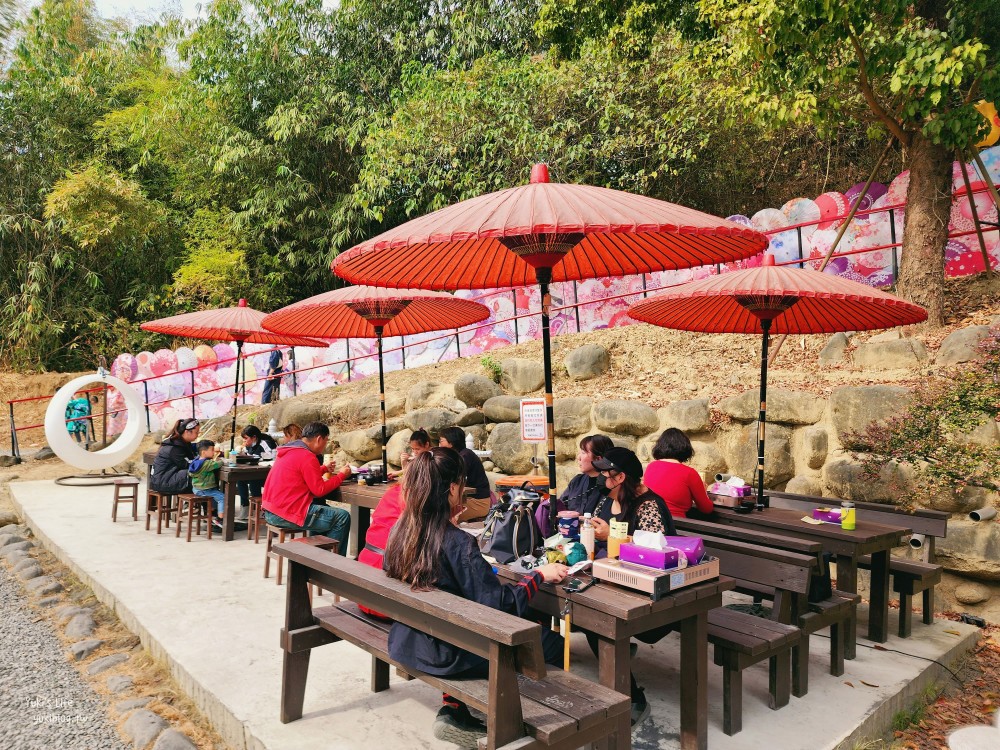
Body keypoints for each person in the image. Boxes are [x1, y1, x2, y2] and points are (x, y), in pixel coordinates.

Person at [383, 448, 568, 747]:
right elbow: (500, 607)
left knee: (476, 627)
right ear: (454, 488)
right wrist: (538, 576)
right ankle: (549, 720)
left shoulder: (400, 530)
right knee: (553, 645)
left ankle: (455, 709)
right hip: (448, 654)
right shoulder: (458, 543)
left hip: (408, 641)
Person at [589, 446, 676, 727]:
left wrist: (612, 535)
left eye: (605, 472)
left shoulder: (648, 506)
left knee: (599, 618)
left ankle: (633, 698)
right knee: (587, 611)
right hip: (615, 581)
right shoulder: (607, 500)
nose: (600, 477)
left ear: (621, 476)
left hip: (655, 593)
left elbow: (652, 553)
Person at [261, 421, 351, 554]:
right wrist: (342, 475)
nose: (324, 446)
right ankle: (333, 564)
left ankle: (317, 558)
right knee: (342, 517)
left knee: (322, 511)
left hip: (271, 510)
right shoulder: (307, 456)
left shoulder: (291, 450)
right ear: (319, 439)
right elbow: (319, 490)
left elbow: (300, 474)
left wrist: (323, 469)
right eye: (325, 441)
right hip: (285, 512)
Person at [535, 434, 614, 536]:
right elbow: (562, 506)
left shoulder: (611, 485)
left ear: (598, 459)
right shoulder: (577, 481)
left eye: (583, 452)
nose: (578, 457)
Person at [643, 428, 714, 520]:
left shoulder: (651, 467)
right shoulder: (689, 473)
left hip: (649, 520)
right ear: (685, 448)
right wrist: (704, 491)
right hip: (676, 526)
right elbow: (706, 509)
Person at [438, 426, 491, 521]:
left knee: (440, 516)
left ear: (451, 442)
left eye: (441, 441)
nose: (439, 445)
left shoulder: (464, 457)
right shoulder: (459, 456)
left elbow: (453, 479)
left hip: (478, 503)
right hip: (467, 499)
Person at [235, 425, 278, 521]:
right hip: (255, 472)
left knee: (254, 481)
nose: (244, 441)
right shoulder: (249, 446)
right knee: (240, 479)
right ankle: (244, 506)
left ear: (254, 437)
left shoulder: (265, 443)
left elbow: (273, 458)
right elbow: (247, 456)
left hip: (269, 475)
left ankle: (261, 509)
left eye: (246, 438)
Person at [150, 419, 201, 495]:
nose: (197, 435)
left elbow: (195, 449)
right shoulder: (175, 447)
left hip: (162, 480)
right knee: (202, 476)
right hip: (163, 482)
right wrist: (202, 460)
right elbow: (187, 465)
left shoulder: (180, 443)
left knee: (201, 477)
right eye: (196, 432)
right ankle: (211, 505)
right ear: (187, 432)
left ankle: (202, 503)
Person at [189, 440, 226, 529]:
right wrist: (220, 460)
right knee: (223, 497)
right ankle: (220, 519)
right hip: (205, 490)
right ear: (204, 452)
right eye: (212, 450)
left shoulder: (196, 461)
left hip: (196, 489)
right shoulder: (207, 463)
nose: (214, 452)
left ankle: (214, 514)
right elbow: (218, 464)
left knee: (216, 494)